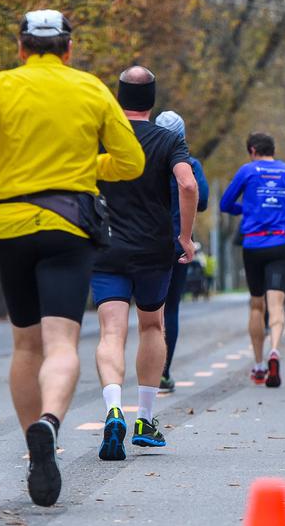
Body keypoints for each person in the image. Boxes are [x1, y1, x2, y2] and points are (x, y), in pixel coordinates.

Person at [0, 10, 145, 506]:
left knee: (25, 345)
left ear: (20, 48)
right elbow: (131, 161)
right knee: (62, 343)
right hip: (68, 227)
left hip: (12, 225)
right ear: (68, 50)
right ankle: (50, 424)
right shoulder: (91, 89)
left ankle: (37, 451)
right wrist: (86, 164)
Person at [89, 68, 197, 460]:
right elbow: (188, 185)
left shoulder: (101, 139)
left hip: (107, 249)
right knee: (152, 325)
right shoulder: (168, 140)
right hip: (154, 250)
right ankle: (145, 419)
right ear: (152, 100)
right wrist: (184, 237)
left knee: (110, 333)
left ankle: (113, 408)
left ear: (118, 98)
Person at [219, 132, 285, 387]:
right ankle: (275, 350)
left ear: (252, 150)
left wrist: (246, 209)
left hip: (253, 245)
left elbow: (225, 204)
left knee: (257, 305)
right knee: (277, 305)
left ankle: (259, 365)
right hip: (280, 243)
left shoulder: (247, 171)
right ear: (273, 149)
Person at [153, 111, 209, 393]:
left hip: (145, 242)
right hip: (178, 245)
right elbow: (203, 200)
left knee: (148, 310)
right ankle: (163, 372)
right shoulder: (191, 164)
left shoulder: (143, 160)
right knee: (171, 308)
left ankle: (145, 371)